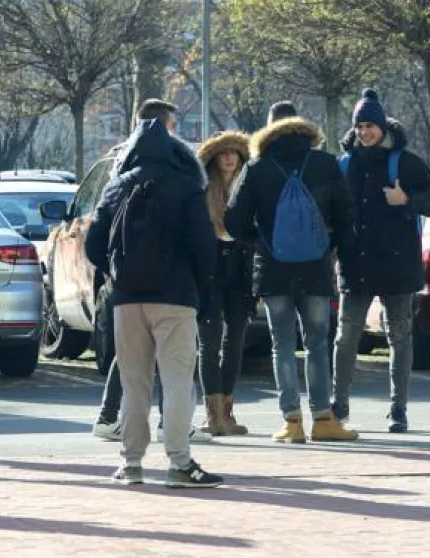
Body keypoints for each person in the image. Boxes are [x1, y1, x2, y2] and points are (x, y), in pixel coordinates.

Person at [85, 113, 222, 487]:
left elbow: (93, 243)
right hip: (176, 297)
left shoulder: (117, 187)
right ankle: (179, 463)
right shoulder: (186, 186)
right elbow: (203, 246)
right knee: (178, 381)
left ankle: (130, 463)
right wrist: (201, 289)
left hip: (126, 298)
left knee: (134, 383)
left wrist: (117, 273)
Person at [225, 108, 357, 443]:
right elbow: (346, 215)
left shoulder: (257, 168)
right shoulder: (325, 163)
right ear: (306, 133)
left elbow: (234, 221)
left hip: (273, 270)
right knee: (317, 343)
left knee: (281, 343)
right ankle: (324, 419)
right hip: (316, 268)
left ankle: (292, 421)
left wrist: (261, 243)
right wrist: (330, 246)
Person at [331, 89, 430, 433]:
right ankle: (339, 406)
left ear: (383, 127)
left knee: (399, 335)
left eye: (370, 125)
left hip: (398, 264)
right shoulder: (344, 164)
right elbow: (330, 207)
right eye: (360, 126)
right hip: (356, 262)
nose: (364, 132)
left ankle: (398, 409)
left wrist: (407, 199)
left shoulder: (406, 161)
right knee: (346, 336)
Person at [195, 131, 254, 436]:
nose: (230, 158)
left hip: (241, 269)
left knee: (235, 341)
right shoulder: (204, 188)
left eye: (235, 152)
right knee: (209, 341)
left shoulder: (249, 186)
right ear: (214, 158)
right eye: (223, 153)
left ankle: (227, 413)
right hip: (211, 268)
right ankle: (211, 415)